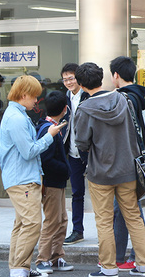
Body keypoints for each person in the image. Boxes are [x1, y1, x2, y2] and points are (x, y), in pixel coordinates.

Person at [73, 62, 145, 277]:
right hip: (127, 169)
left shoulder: (85, 109)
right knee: (133, 217)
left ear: (81, 85)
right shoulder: (123, 99)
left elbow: (81, 142)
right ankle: (144, 264)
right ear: (103, 78)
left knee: (104, 222)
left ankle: (108, 268)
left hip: (100, 173)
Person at [0, 75, 66, 277]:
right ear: (24, 94)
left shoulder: (16, 114)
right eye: (35, 96)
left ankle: (19, 268)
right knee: (32, 224)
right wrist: (49, 136)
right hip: (23, 179)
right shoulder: (17, 118)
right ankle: (19, 268)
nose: (37, 100)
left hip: (21, 178)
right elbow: (28, 152)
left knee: (22, 224)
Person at [111, 56, 145, 271]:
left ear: (116, 75)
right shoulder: (136, 95)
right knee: (123, 209)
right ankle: (120, 256)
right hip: (134, 159)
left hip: (127, 161)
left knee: (133, 210)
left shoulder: (123, 97)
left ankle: (137, 257)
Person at [34, 91, 74, 274]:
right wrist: (66, 169)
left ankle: (56, 256)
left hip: (56, 182)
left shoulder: (49, 125)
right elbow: (46, 160)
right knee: (52, 221)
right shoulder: (49, 129)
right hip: (51, 183)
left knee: (61, 220)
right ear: (65, 109)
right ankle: (42, 259)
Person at [61, 63, 88, 246]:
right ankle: (77, 230)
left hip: (90, 153)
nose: (69, 82)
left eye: (71, 78)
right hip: (72, 153)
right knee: (77, 193)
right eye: (65, 79)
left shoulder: (88, 96)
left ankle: (108, 229)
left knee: (102, 193)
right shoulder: (65, 98)